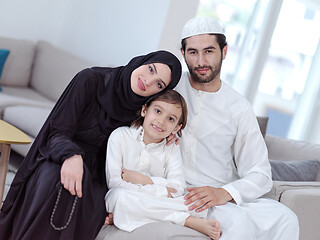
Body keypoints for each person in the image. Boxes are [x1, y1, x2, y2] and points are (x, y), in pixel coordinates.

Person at [0, 50, 182, 240]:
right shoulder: (90, 80)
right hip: (61, 153)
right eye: (150, 69)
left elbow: (151, 132)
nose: (148, 81)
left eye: (159, 84)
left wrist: (168, 136)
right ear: (141, 62)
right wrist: (71, 156)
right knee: (59, 182)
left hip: (100, 176)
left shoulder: (143, 110)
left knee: (87, 200)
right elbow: (57, 131)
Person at [174, 16, 300, 239]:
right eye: (193, 52)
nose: (201, 61)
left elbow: (260, 173)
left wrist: (224, 192)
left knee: (285, 218)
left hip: (218, 192)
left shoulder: (238, 107)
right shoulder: (170, 87)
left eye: (209, 51)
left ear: (224, 52)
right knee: (238, 222)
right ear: (183, 54)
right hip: (178, 189)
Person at [104, 89, 221, 240]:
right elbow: (114, 183)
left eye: (171, 119)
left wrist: (143, 180)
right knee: (117, 197)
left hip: (150, 201)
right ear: (145, 110)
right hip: (130, 196)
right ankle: (186, 220)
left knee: (195, 205)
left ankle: (128, 215)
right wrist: (161, 189)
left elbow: (177, 189)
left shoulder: (171, 148)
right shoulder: (120, 136)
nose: (161, 121)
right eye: (158, 111)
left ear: (177, 128)